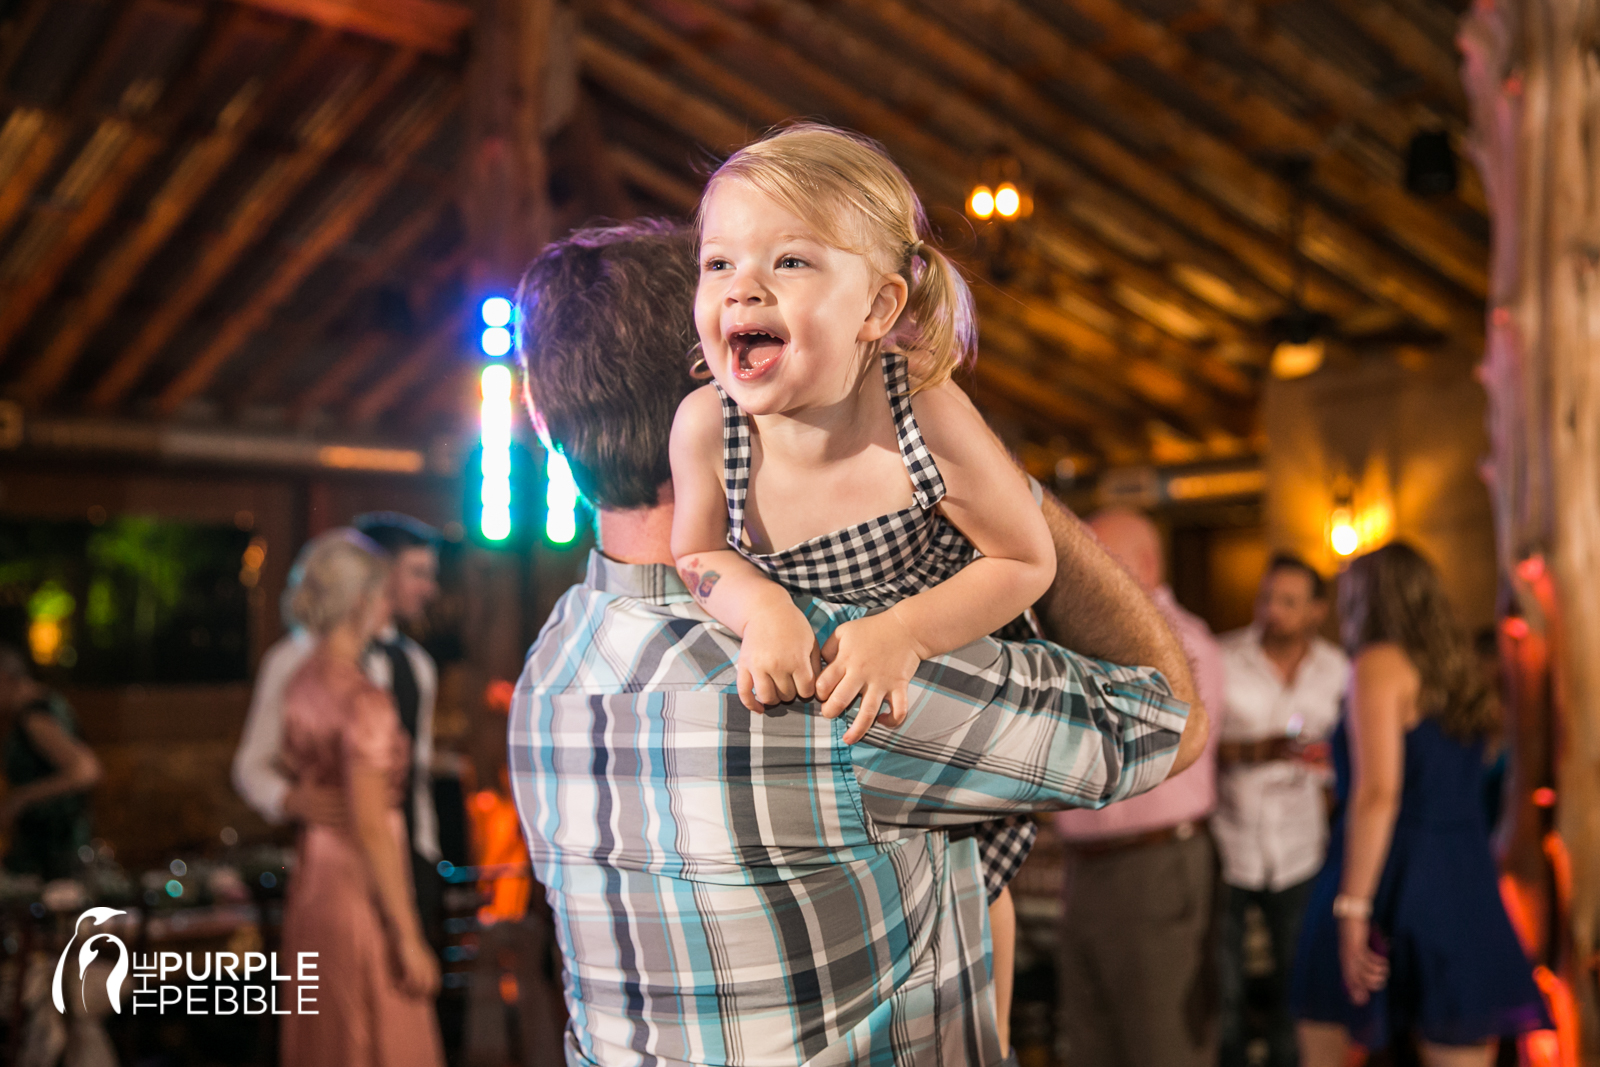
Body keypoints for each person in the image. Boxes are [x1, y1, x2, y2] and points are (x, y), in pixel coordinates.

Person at [509, 216, 1209, 1065]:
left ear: (542, 421)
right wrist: (988, 486)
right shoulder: (831, 668)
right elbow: (1164, 722)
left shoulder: (551, 663)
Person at [668, 123, 1053, 1048]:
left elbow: (1025, 559)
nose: (742, 288)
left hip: (946, 685)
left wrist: (906, 632)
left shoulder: (920, 409)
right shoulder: (704, 427)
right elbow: (697, 555)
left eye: (790, 260)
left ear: (878, 306)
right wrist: (761, 604)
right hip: (830, 718)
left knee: (970, 897)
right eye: (718, 263)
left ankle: (983, 1037)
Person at [1292, 542, 1550, 1066]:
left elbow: (1379, 794)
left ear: (1367, 598)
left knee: (1326, 1037)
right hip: (1462, 877)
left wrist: (1352, 909)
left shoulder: (1377, 662)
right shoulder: (1453, 667)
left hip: (1390, 870)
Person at [1052, 508, 1225, 1067]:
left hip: (1154, 866)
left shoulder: (1184, 644)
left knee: (1161, 1044)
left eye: (1105, 558)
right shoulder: (1084, 642)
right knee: (1091, 1042)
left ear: (1147, 565)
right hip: (1087, 867)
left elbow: (1137, 748)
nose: (1089, 575)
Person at [232, 513, 444, 946]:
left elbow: (414, 774)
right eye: (416, 573)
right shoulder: (295, 661)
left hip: (413, 856)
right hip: (338, 861)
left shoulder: (419, 665)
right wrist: (288, 798)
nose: (429, 589)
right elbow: (250, 765)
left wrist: (425, 853)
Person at [277, 529, 443, 1067]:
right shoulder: (363, 700)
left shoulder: (302, 681)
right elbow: (372, 827)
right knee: (381, 1040)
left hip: (314, 882)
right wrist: (408, 936)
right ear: (363, 603)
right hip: (360, 887)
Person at [1215, 553, 1349, 1067]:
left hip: (1300, 847)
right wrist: (1257, 750)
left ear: (1316, 610)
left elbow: (1349, 755)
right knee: (1224, 989)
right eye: (1266, 598)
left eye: (1288, 602)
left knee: (1297, 982)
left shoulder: (1337, 670)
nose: (1273, 610)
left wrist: (1329, 767)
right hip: (1231, 845)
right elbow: (1195, 748)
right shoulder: (1224, 659)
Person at [0, 644, 100, 880]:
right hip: (60, 841)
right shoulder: (49, 701)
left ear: (5, 679)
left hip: (54, 843)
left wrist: (22, 798)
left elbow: (86, 770)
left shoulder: (35, 718)